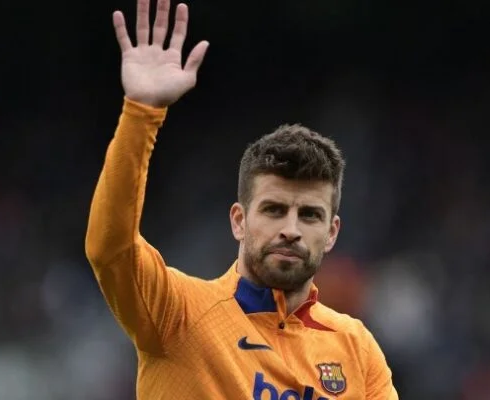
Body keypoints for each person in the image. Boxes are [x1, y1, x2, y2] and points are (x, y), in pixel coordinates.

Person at [84, 0, 400, 398]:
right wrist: (141, 112)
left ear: (332, 232)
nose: (291, 229)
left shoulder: (357, 349)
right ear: (238, 220)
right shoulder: (178, 315)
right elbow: (110, 248)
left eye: (309, 215)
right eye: (274, 209)